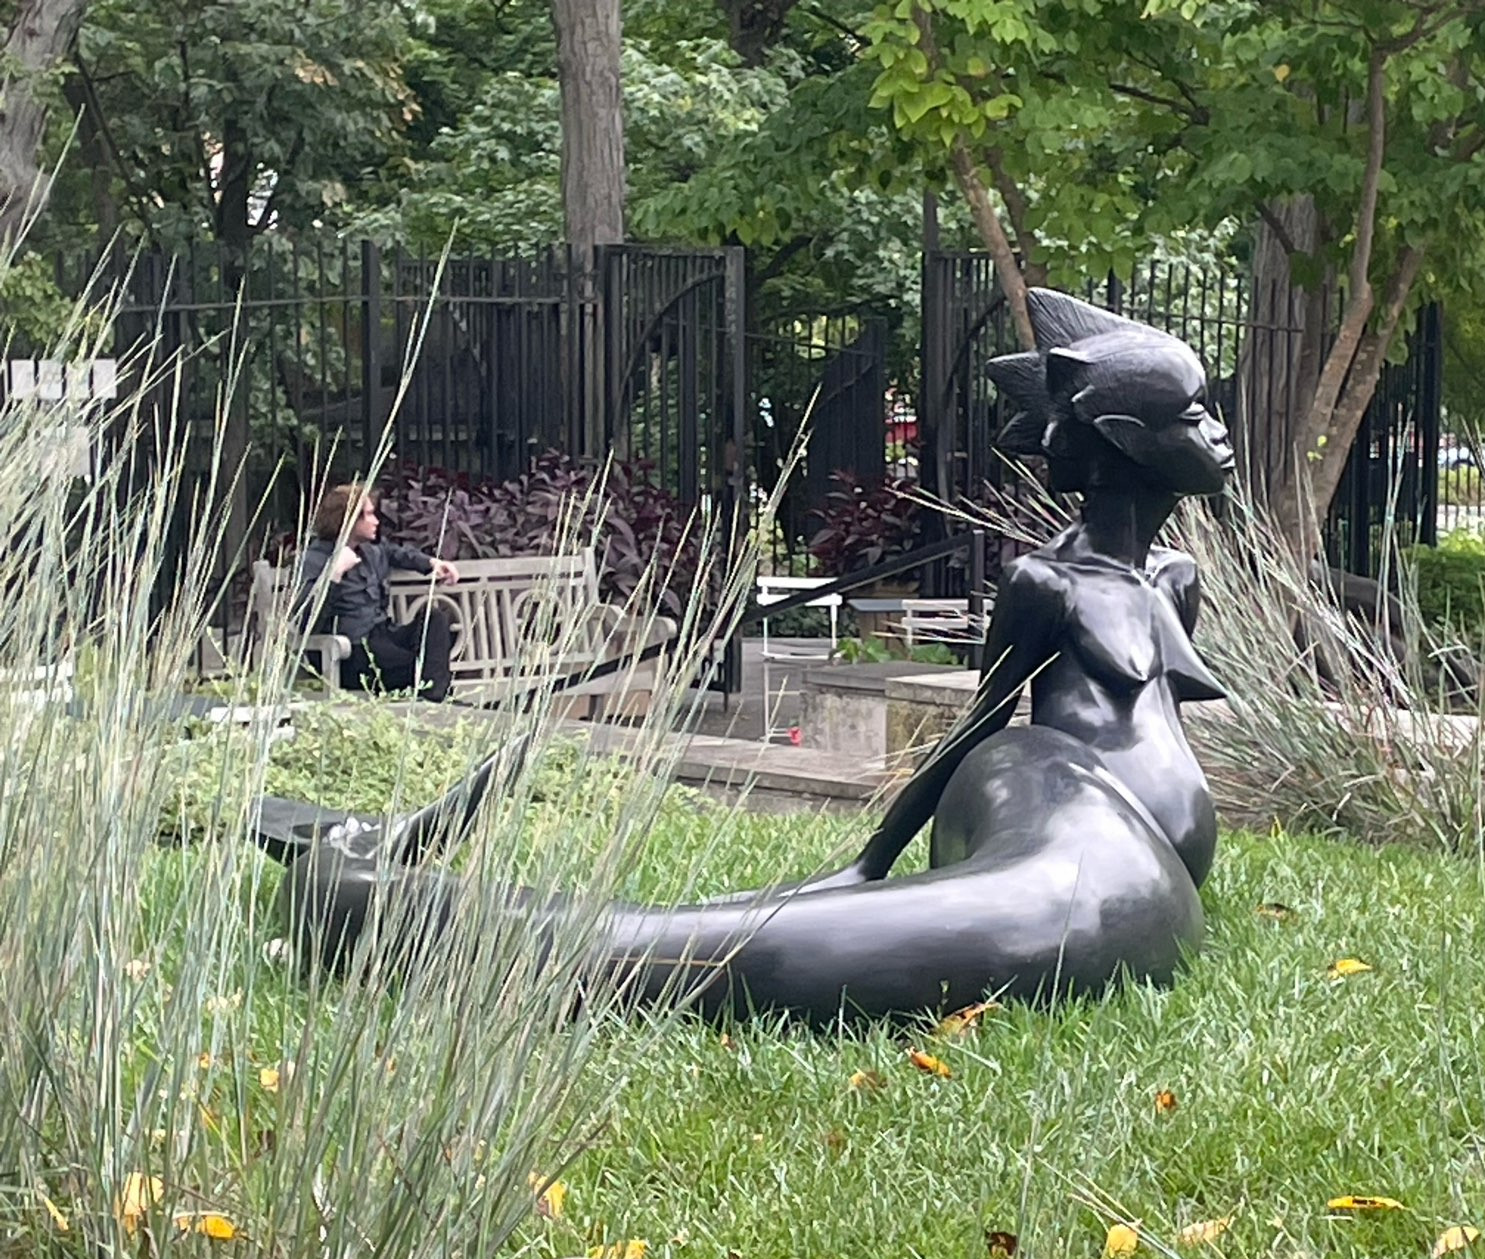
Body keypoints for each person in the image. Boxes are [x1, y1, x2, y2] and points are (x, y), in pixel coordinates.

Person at [265, 291, 1237, 1021]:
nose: (1219, 433)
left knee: (1088, 921)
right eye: (1194, 415)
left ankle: (364, 870)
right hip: (1042, 793)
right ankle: (365, 892)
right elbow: (977, 727)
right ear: (1122, 439)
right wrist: (869, 860)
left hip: (1125, 847)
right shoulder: (1045, 586)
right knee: (790, 950)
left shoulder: (1175, 576)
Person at [294, 481, 461, 702]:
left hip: (383, 637)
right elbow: (306, 622)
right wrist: (333, 575)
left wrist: (431, 563)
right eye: (369, 515)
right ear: (348, 520)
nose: (376, 521)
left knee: (436, 619)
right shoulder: (314, 560)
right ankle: (438, 700)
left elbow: (397, 554)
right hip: (349, 652)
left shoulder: (371, 552)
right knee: (423, 665)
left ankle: (434, 698)